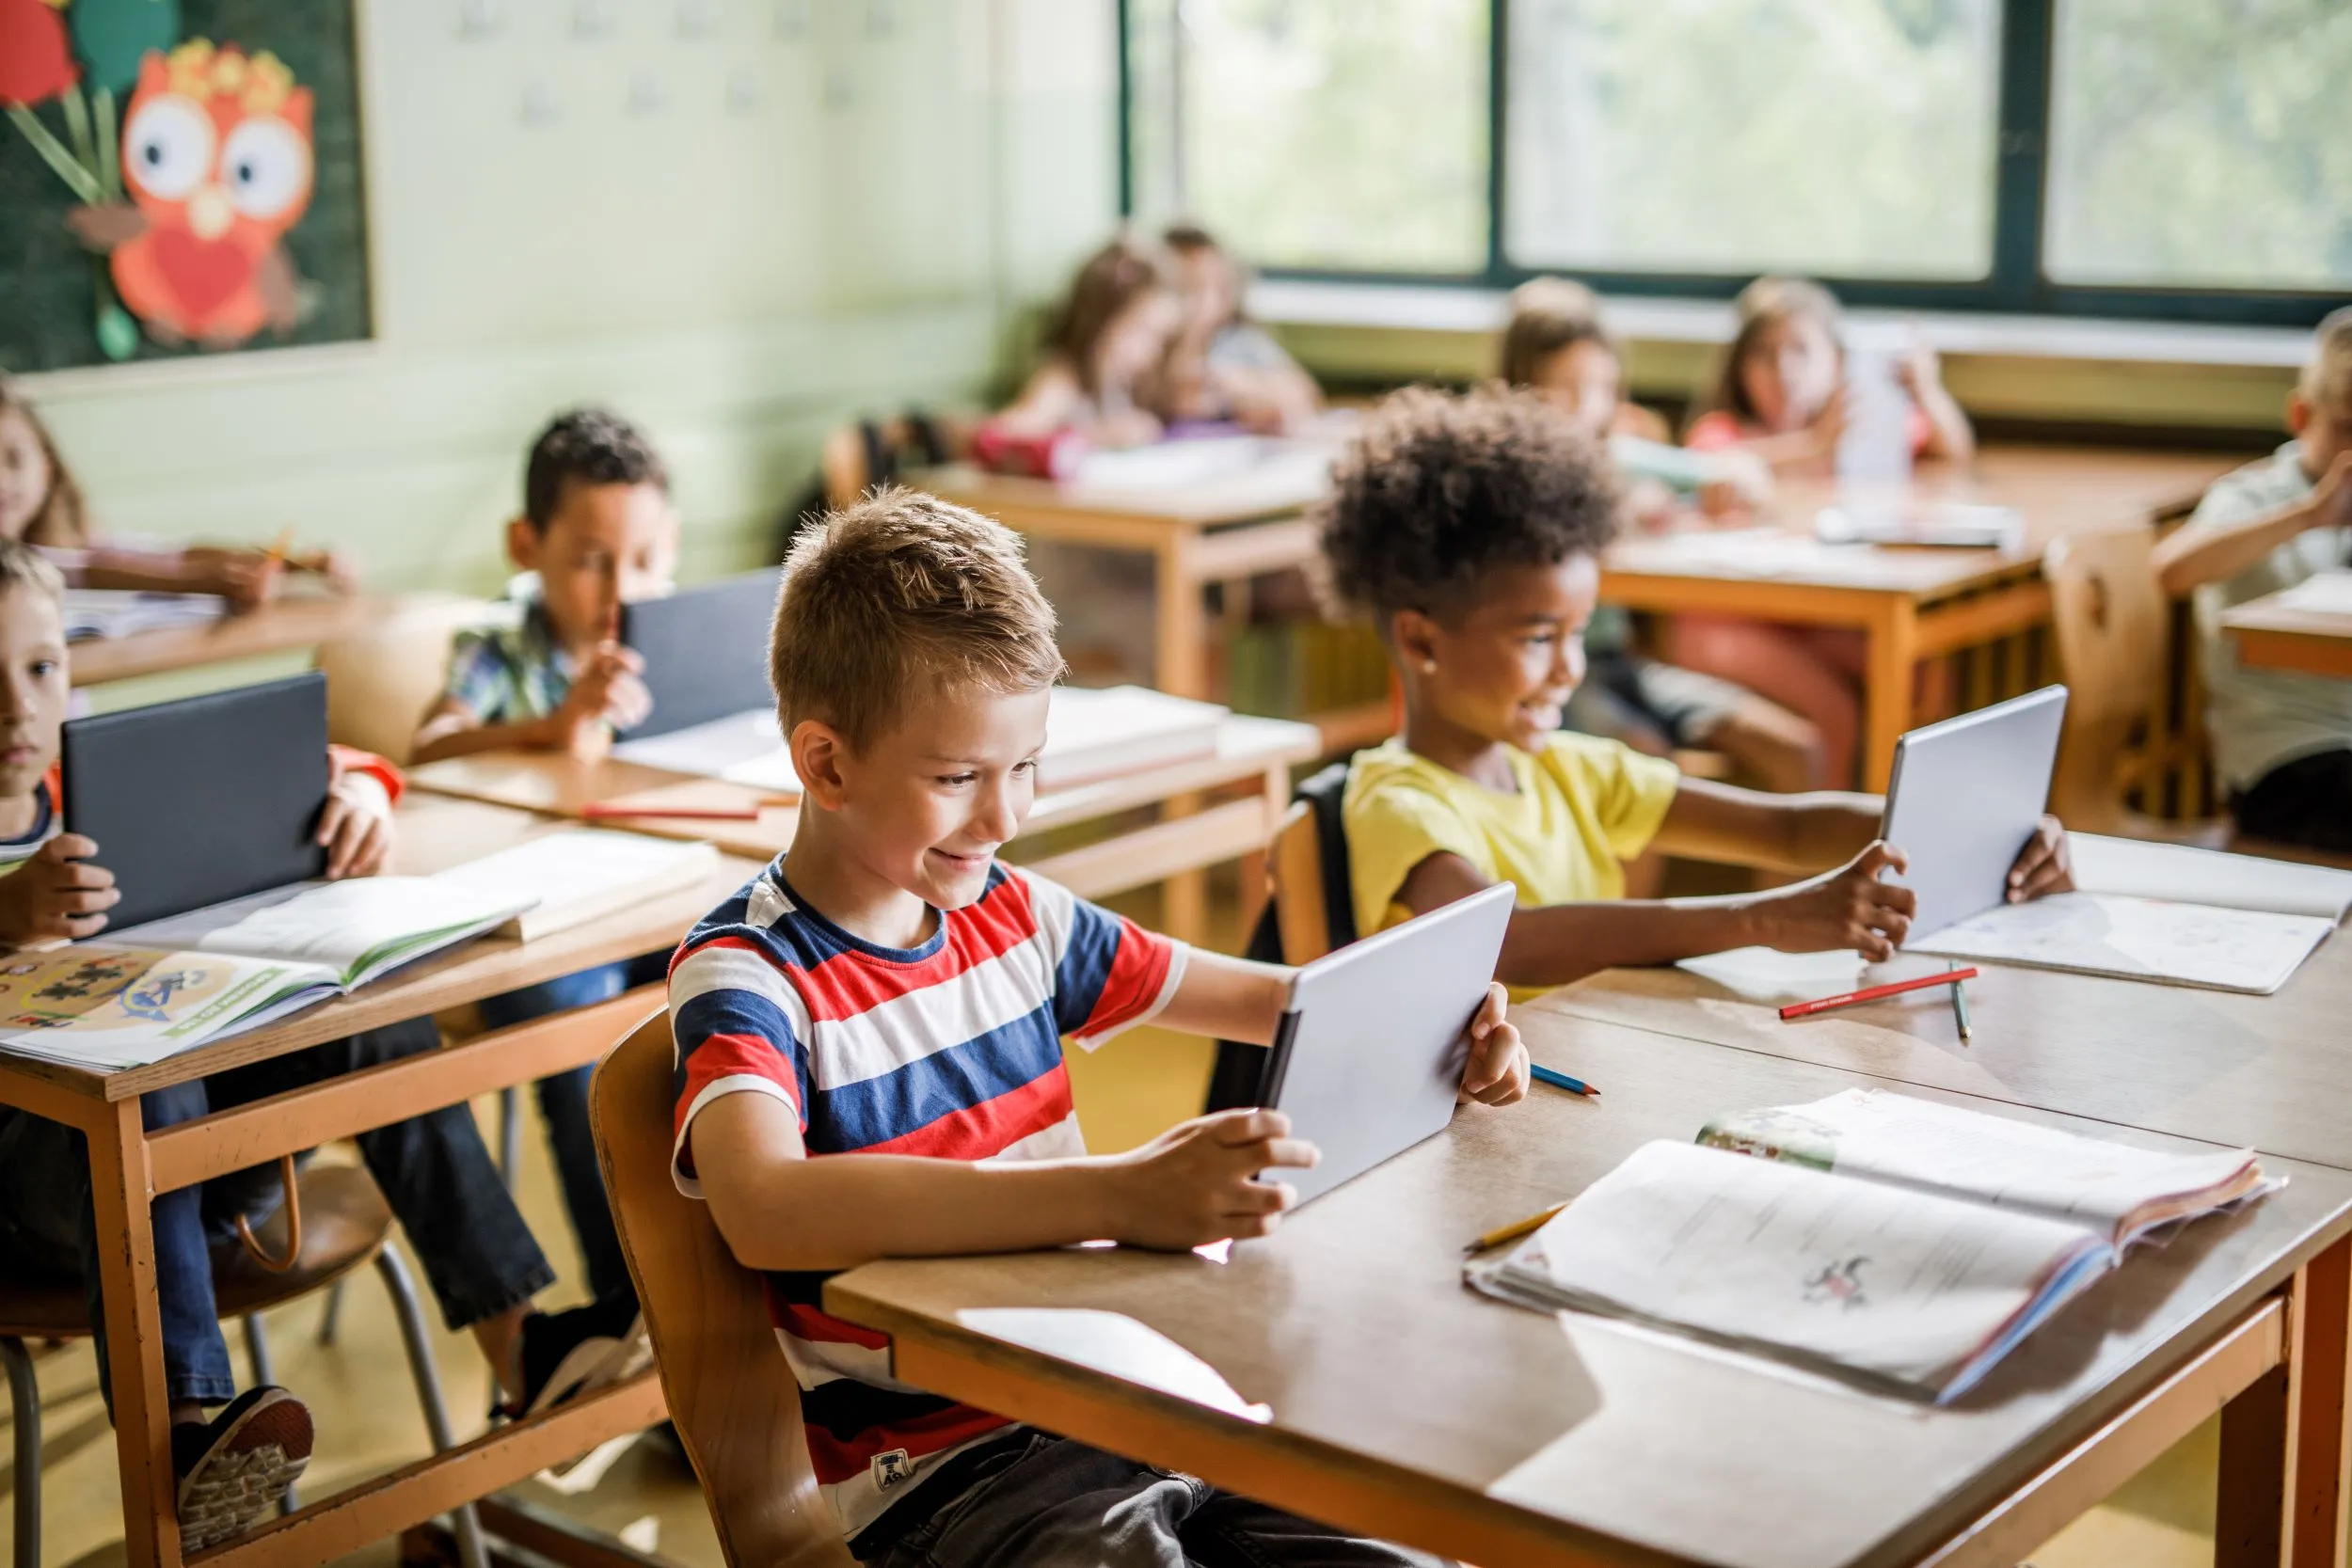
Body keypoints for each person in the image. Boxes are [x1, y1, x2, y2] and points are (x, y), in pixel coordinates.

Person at [666, 487, 1526, 1565]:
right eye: (958, 777)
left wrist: (1444, 1017)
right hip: (947, 1481)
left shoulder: (1014, 913)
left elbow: (1279, 996)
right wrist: (1117, 1193)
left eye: (1024, 766)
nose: (1006, 815)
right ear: (827, 762)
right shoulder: (745, 972)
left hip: (1133, 1394)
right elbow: (766, 1208)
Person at [0, 541, 640, 1550]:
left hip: (219, 1182)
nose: (15, 706)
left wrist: (368, 796)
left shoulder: (102, 793)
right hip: (43, 1202)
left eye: (38, 668)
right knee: (143, 1086)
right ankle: (180, 1448)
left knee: (382, 1019)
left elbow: (327, 761)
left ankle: (524, 1347)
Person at [1320, 385, 2071, 996]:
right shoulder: (1394, 800)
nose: (1570, 668)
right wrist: (1765, 918)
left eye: (1579, 635)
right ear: (1422, 641)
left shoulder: (1574, 769)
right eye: (1538, 638)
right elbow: (1511, 940)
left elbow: (1788, 831)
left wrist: (1991, 832)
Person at [410, 405, 680, 1310]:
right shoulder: (501, 642)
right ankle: (631, 1313)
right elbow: (429, 748)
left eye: (643, 560)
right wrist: (555, 725)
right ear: (526, 544)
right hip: (538, 929)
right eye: (589, 559)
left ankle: (748, 1300)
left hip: (657, 899)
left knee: (741, 989)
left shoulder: (672, 637)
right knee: (591, 1044)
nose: (619, 590)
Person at [1499, 277, 1820, 794]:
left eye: (1601, 388)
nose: (1586, 407)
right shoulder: (1502, 476)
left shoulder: (1618, 457)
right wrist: (1623, 515)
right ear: (1520, 386)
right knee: (1644, 773)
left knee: (1796, 750)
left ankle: (1811, 881)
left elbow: (1731, 475)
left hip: (1623, 666)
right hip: (1548, 678)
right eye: (1566, 387)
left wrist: (1711, 492)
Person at [1668, 278, 1976, 784]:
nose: (1783, 372)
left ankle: (1901, 829)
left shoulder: (1854, 432)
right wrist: (1812, 447)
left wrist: (1925, 390)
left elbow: (1952, 453)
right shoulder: (1723, 433)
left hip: (1809, 617)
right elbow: (1707, 468)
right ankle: (1814, 863)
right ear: (1738, 365)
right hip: (1722, 622)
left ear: (1838, 363)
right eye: (1764, 354)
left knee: (1923, 673)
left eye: (1801, 352)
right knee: (1831, 713)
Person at [2153, 306, 2352, 851]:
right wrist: (2311, 515)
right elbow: (2172, 570)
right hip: (2286, 758)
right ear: (2300, 414)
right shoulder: (2254, 497)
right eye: (2347, 429)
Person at [0, 376, 346, 607]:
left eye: (14, 460)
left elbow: (170, 554)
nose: (1, 481)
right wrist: (200, 581)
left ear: (47, 469)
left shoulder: (73, 538)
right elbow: (75, 570)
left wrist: (293, 562)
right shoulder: (57, 563)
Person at [987, 234, 1184, 450]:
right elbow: (1000, 435)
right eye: (1142, 330)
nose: (1152, 351)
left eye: (1159, 338)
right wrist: (1097, 436)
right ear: (1100, 320)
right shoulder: (1063, 377)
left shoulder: (1119, 384)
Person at [1154, 221, 1322, 435]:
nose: (1202, 304)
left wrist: (1242, 387)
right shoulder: (1147, 346)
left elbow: (1304, 396)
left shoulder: (1236, 341)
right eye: (1188, 288)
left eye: (1215, 288)